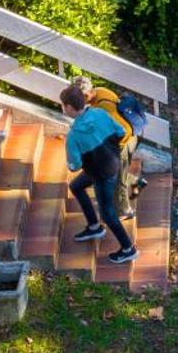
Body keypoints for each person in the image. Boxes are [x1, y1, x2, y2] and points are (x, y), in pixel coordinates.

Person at [60, 82, 138, 265]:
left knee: (108, 214)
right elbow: (119, 131)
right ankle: (94, 227)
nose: (63, 108)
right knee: (76, 186)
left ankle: (128, 249)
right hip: (112, 162)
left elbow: (74, 166)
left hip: (101, 174)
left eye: (63, 105)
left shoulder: (74, 136)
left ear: (70, 108)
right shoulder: (100, 113)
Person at [86, 82, 139, 221]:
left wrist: (118, 148)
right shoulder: (100, 92)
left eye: (82, 96)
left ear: (90, 92)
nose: (81, 100)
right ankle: (137, 182)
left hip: (124, 140)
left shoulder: (105, 106)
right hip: (129, 137)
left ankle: (124, 211)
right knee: (118, 174)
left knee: (119, 179)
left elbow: (123, 130)